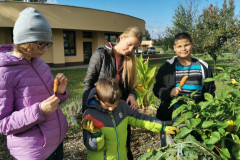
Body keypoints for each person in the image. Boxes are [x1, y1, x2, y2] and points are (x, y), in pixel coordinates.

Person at [0, 7, 69, 160]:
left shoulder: (40, 64)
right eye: (40, 44)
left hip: (56, 141)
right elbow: (3, 124)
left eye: (47, 44)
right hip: (34, 152)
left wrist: (60, 92)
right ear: (25, 42)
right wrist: (40, 110)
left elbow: (52, 101)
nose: (45, 50)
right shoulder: (4, 73)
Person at [82, 26, 142, 159]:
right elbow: (88, 83)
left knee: (123, 145)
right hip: (101, 109)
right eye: (129, 44)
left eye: (135, 47)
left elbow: (129, 85)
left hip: (120, 111)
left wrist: (132, 94)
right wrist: (86, 111)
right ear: (121, 38)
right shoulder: (101, 54)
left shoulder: (129, 59)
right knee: (102, 148)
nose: (131, 49)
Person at [82, 78, 179, 160]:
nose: (111, 109)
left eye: (115, 104)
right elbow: (93, 147)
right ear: (97, 98)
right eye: (107, 106)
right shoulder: (90, 116)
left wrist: (161, 127)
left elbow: (139, 119)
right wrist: (96, 134)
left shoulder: (122, 106)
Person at [153, 32, 215, 145]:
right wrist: (169, 93)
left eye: (186, 45)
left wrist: (205, 112)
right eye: (179, 46)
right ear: (174, 48)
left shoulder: (203, 66)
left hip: (196, 117)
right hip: (172, 118)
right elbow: (157, 89)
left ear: (192, 45)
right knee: (172, 149)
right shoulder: (167, 67)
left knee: (195, 148)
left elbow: (210, 91)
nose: (183, 49)